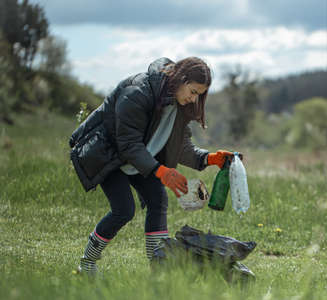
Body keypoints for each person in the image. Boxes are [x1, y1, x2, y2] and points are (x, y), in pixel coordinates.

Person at [69, 57, 237, 274]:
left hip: (140, 159)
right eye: (193, 91)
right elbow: (127, 144)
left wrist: (209, 158)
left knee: (158, 200)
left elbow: (181, 147)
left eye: (199, 95)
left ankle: (159, 272)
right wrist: (161, 171)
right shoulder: (137, 92)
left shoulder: (180, 105)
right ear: (181, 79)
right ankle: (87, 264)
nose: (194, 99)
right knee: (124, 210)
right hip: (109, 155)